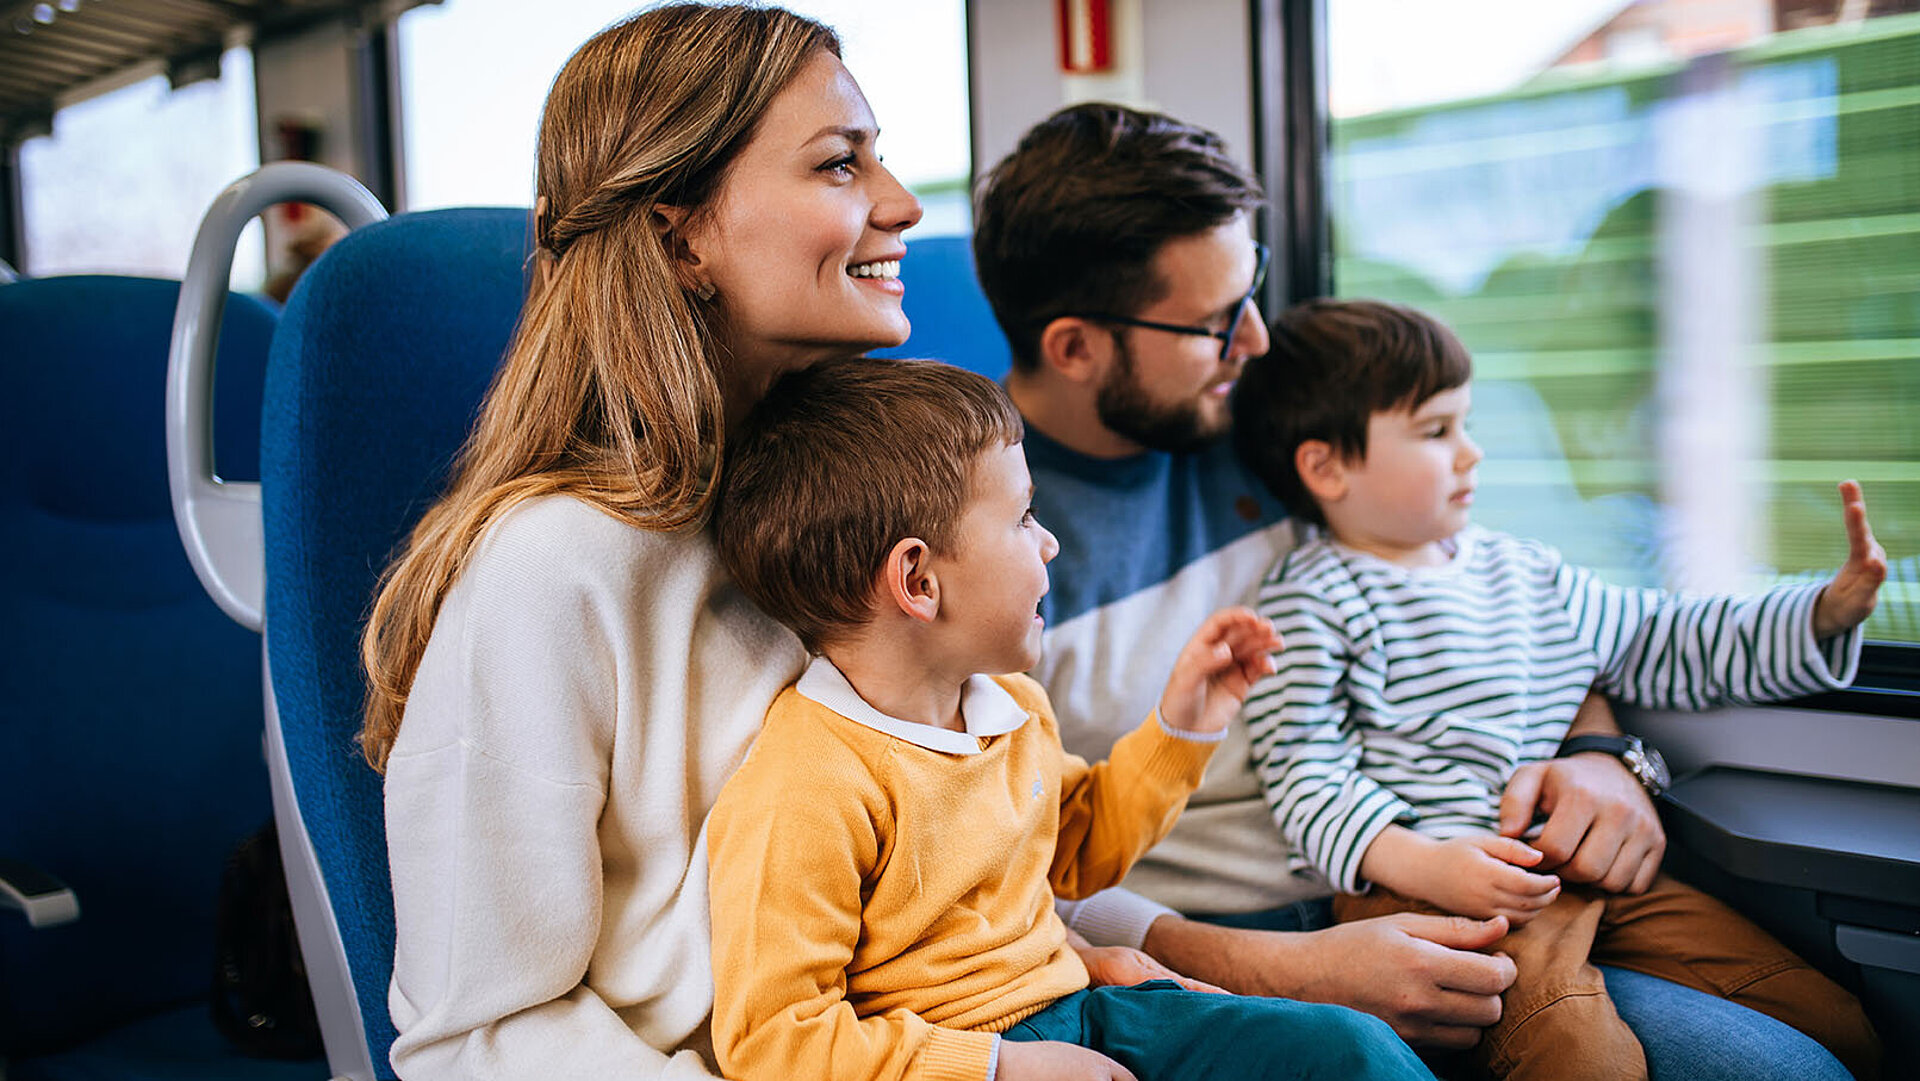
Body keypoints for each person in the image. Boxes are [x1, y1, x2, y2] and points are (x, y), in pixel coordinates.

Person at [973, 100, 1863, 1077]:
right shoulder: (986, 540)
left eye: (1254, 287)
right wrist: (1287, 966)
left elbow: (1483, 588)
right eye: (1218, 320)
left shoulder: (1286, 425)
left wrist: (1600, 749)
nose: (1259, 340)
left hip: (1470, 859)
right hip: (1226, 947)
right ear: (1074, 347)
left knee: (1825, 1043)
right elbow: (1008, 875)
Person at [356, 7, 928, 1077]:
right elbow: (479, 1036)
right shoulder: (551, 574)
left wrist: (1189, 957)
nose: (901, 204)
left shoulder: (862, 513)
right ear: (681, 238)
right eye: (841, 166)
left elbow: (968, 828)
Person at [705, 356, 1434, 1081]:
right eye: (1023, 516)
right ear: (919, 580)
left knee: (1351, 1050)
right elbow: (776, 1040)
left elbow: (1077, 846)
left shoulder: (1013, 706)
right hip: (958, 1058)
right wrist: (1000, 1066)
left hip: (1086, 1007)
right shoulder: (806, 783)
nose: (1049, 541)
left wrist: (1183, 727)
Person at [1229, 297, 1884, 1080]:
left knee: (1830, 1017)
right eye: (1437, 432)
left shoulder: (1526, 572)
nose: (1471, 454)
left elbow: (1662, 639)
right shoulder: (1310, 597)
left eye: (1465, 424)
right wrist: (1424, 861)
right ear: (1327, 467)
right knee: (1578, 1056)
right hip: (1428, 896)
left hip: (1568, 866)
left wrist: (1817, 614)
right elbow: (1304, 772)